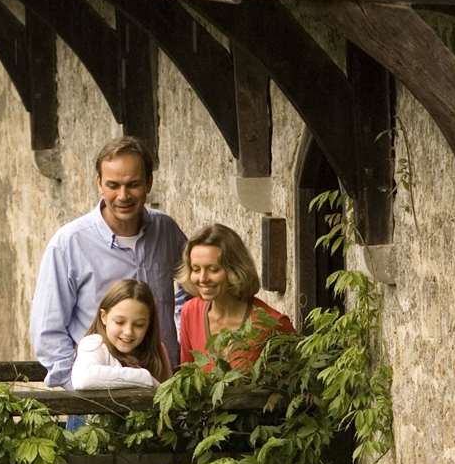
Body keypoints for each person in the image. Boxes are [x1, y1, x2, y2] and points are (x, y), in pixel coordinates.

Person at [30, 136, 186, 388]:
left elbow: (193, 290)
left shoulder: (166, 231)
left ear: (149, 183)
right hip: (99, 404)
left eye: (133, 184)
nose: (123, 195)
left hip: (163, 395)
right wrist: (79, 388)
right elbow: (47, 332)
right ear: (99, 184)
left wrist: (177, 338)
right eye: (113, 185)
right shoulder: (69, 243)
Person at [177, 222, 294, 370]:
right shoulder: (190, 312)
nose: (202, 278)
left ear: (235, 270)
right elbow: (186, 377)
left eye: (213, 269)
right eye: (195, 269)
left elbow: (293, 387)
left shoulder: (274, 324)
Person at [70, 278, 172, 389]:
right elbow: (84, 378)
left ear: (149, 324)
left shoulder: (158, 351)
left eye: (139, 325)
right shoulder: (94, 344)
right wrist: (145, 377)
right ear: (103, 317)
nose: (128, 332)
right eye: (119, 322)